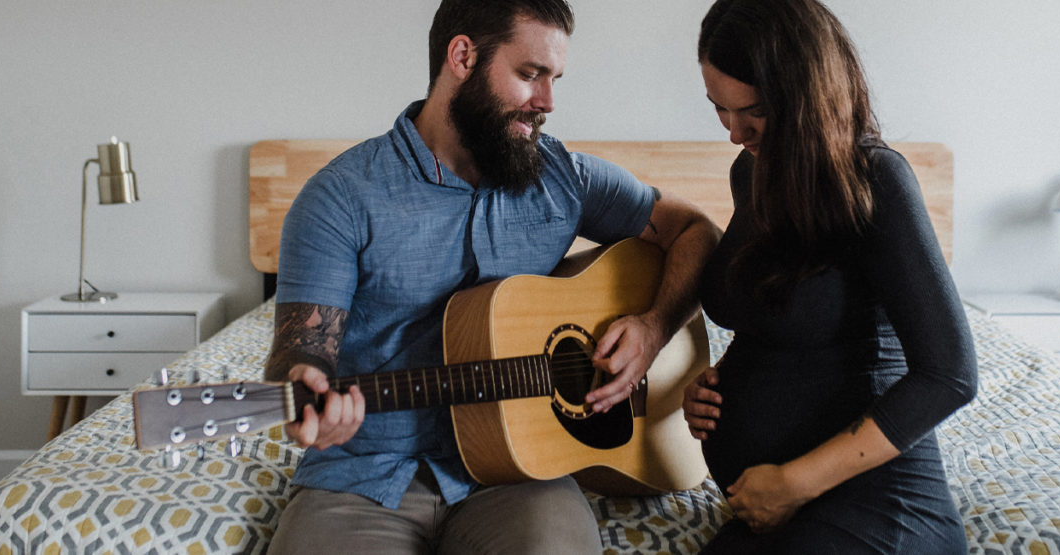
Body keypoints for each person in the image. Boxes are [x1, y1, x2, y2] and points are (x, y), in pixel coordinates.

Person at [263, 1, 720, 553]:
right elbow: (302, 353)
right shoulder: (339, 197)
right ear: (462, 56)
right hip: (360, 476)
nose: (548, 102)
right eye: (530, 75)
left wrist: (652, 328)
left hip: (519, 473)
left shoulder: (563, 177)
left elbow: (695, 230)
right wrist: (306, 393)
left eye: (554, 79)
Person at [681, 0, 978, 553]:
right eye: (719, 109)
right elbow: (786, 309)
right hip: (773, 510)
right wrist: (715, 383)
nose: (734, 131)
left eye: (755, 110)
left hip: (875, 504)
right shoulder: (753, 170)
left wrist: (793, 484)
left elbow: (950, 374)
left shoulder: (876, 180)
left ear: (803, 96)